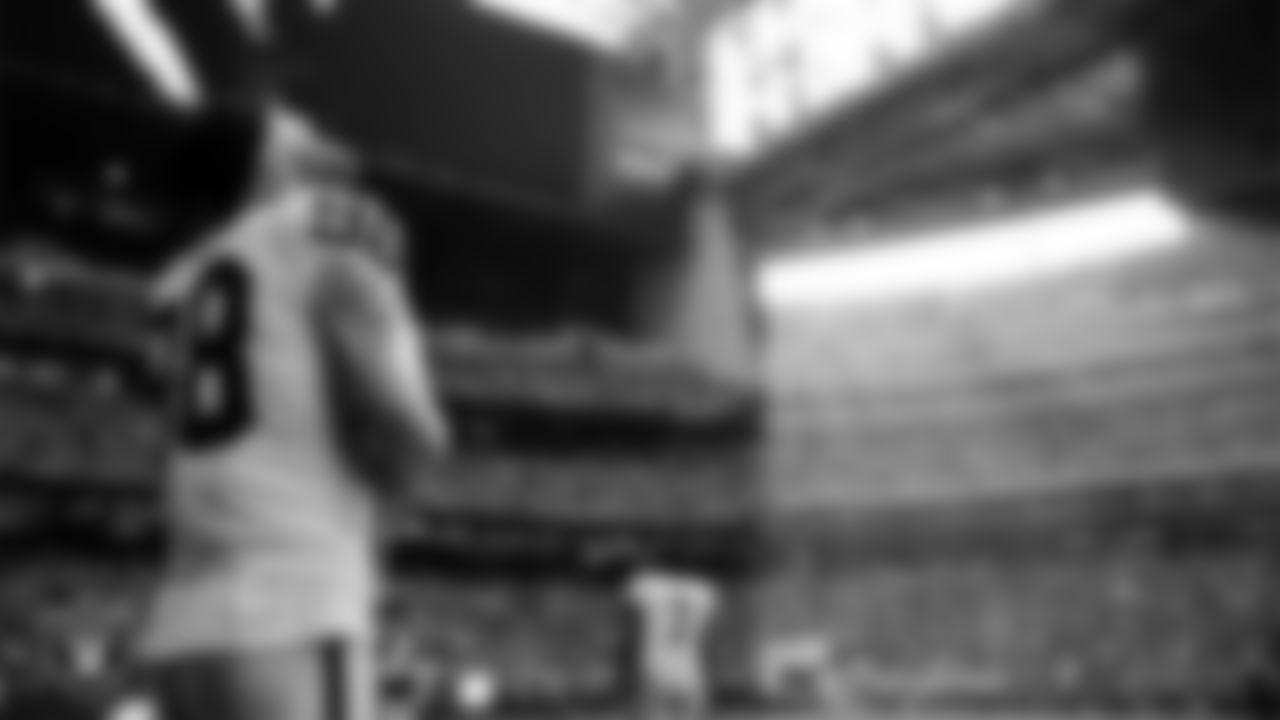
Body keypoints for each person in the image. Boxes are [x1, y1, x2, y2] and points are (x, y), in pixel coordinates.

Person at [133, 101, 450, 720]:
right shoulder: (316, 225)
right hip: (294, 613)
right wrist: (425, 441)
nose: (314, 135)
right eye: (294, 129)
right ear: (265, 161)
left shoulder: (174, 285)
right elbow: (393, 421)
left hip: (181, 628)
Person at [625, 565, 720, 720]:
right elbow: (710, 644)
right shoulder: (704, 590)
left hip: (654, 666)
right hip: (691, 671)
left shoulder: (645, 584)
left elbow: (631, 636)